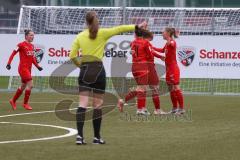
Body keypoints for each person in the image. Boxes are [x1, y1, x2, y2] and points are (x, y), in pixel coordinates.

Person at [70, 11, 147, 145]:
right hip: (98, 70)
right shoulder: (102, 33)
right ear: (96, 21)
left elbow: (72, 56)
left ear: (86, 22)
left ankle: (80, 137)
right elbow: (120, 29)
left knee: (82, 104)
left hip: (85, 70)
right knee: (97, 106)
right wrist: (137, 27)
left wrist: (80, 66)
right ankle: (96, 138)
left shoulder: (80, 36)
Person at [118, 28, 166, 115]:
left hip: (136, 66)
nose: (150, 41)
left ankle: (126, 101)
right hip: (146, 65)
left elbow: (138, 48)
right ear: (145, 37)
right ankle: (149, 109)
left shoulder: (134, 42)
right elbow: (150, 53)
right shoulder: (145, 43)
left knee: (140, 88)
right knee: (152, 88)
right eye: (150, 39)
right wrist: (159, 57)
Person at [6, 29, 43, 110]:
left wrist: (37, 66)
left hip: (29, 69)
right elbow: (13, 54)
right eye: (31, 35)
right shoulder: (21, 45)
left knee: (23, 86)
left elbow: (32, 58)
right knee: (31, 85)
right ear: (26, 36)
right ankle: (25, 104)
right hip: (23, 68)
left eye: (33, 35)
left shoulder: (32, 46)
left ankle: (13, 100)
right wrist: (9, 63)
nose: (32, 37)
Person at [153, 27, 185, 114]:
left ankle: (181, 109)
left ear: (167, 33)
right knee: (171, 89)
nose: (162, 33)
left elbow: (172, 44)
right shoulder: (167, 44)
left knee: (176, 87)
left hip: (173, 69)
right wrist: (152, 48)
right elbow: (162, 50)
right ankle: (175, 108)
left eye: (163, 32)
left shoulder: (172, 42)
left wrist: (170, 39)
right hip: (168, 69)